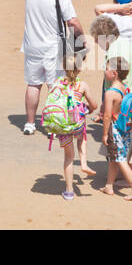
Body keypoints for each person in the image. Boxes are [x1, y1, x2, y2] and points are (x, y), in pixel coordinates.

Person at [20, 0, 83, 135]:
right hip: (51, 47)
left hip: (31, 45)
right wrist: (82, 38)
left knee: (33, 84)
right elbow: (72, 21)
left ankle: (30, 124)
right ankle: (52, 125)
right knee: (54, 86)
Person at [48, 64, 95, 199]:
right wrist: (88, 107)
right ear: (79, 69)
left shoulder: (57, 83)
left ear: (63, 67)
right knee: (82, 138)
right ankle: (84, 163)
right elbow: (94, 104)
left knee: (69, 157)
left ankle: (69, 191)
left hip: (63, 125)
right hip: (77, 124)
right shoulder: (82, 85)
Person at [99, 57, 132, 201]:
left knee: (120, 159)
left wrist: (105, 134)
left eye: (107, 69)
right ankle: (109, 185)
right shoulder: (124, 88)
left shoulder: (110, 92)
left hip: (115, 129)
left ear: (115, 73)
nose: (104, 71)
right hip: (125, 129)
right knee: (114, 157)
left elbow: (107, 116)